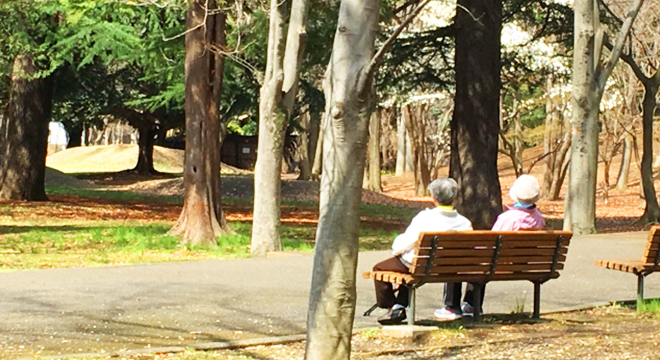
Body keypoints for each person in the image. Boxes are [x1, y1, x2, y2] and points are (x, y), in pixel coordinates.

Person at [434, 174, 546, 321]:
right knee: (482, 262)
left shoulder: (508, 218)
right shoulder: (539, 219)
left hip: (499, 263)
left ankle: (456, 306)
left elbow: (492, 244)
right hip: (525, 264)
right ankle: (471, 305)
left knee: (465, 260)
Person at [373, 177, 473, 325]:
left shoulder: (425, 218)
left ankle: (392, 306)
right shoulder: (464, 223)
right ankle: (399, 305)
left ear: (434, 197)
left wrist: (397, 250)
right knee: (413, 268)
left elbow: (403, 244)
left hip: (420, 265)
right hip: (449, 267)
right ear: (455, 197)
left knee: (379, 269)